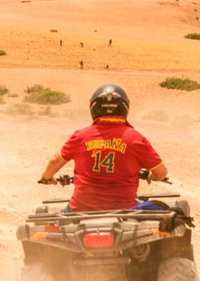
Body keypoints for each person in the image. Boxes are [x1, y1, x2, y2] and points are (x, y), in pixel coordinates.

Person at [39, 84, 168, 211]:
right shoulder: (136, 138)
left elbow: (55, 161)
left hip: (81, 209)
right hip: (124, 210)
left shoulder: (80, 136)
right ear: (125, 108)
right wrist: (154, 176)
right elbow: (161, 172)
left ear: (93, 108)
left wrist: (46, 178)